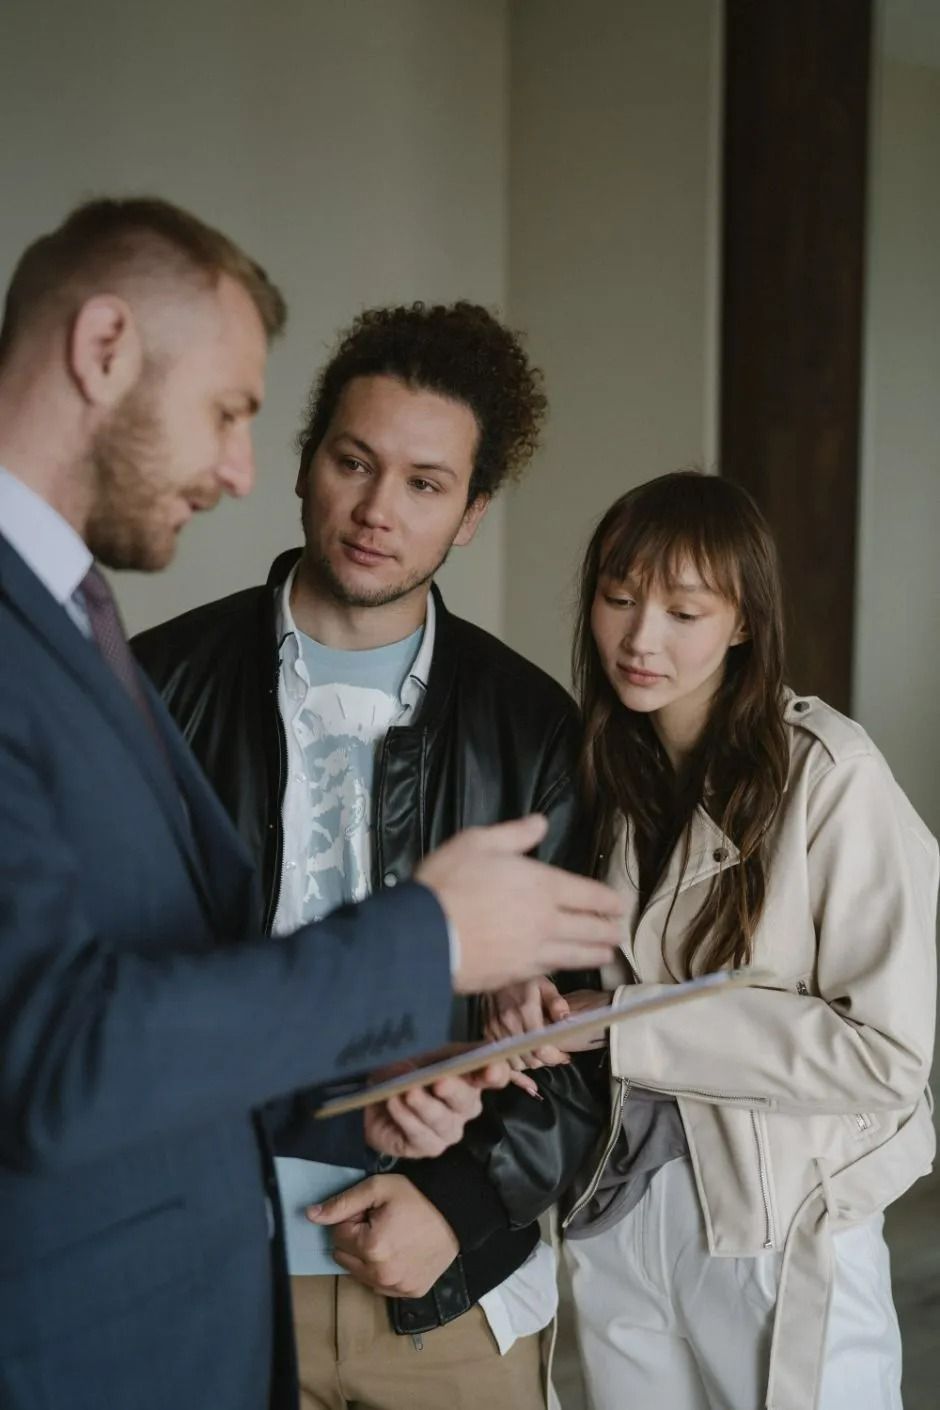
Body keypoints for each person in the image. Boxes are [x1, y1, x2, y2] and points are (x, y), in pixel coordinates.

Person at [0, 197, 623, 1410]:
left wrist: (385, 1110)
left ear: (470, 510)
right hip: (124, 1303)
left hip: (382, 1278)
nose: (236, 468)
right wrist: (423, 942)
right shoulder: (132, 659)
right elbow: (62, 1045)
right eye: (234, 413)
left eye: (425, 482)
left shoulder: (78, 624)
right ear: (105, 349)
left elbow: (135, 987)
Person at [132, 300, 604, 1410]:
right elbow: (104, 988)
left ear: (473, 513)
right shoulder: (150, 691)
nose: (377, 510)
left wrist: (459, 1202)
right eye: (355, 461)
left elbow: (586, 1041)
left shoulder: (535, 730)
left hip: (442, 1297)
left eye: (426, 485)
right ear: (306, 462)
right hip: (200, 1276)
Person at [488, 471, 938, 1410]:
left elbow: (887, 1054)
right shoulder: (600, 774)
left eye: (683, 612)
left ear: (741, 623)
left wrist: (625, 1020)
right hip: (617, 1215)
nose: (641, 638)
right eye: (618, 599)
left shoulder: (831, 776)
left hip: (772, 1224)